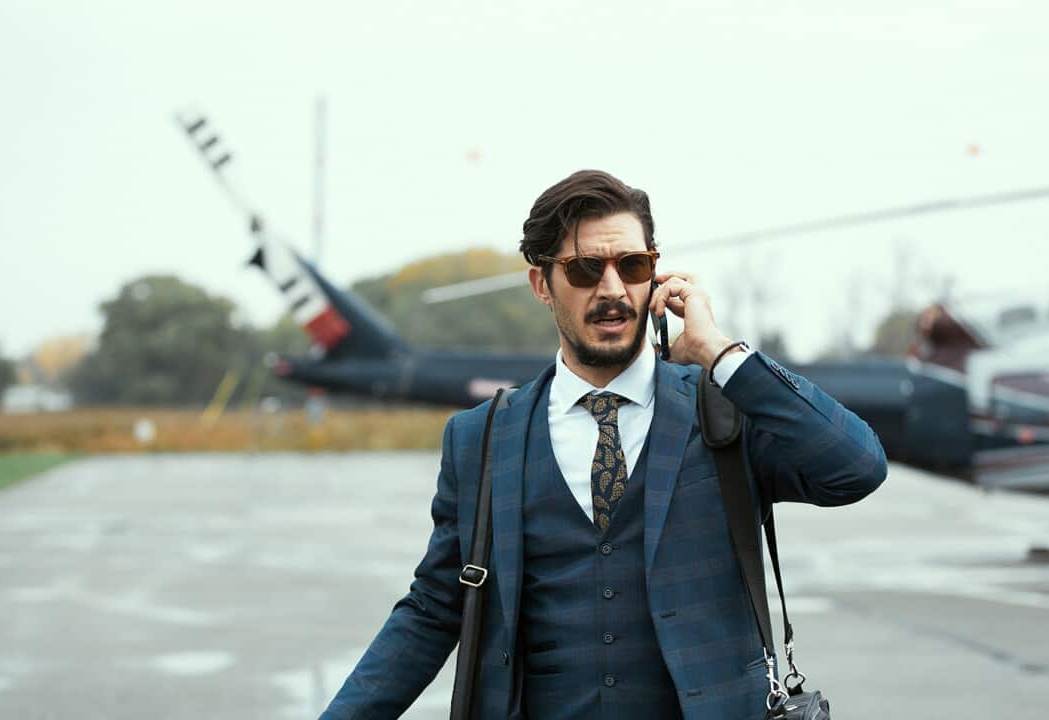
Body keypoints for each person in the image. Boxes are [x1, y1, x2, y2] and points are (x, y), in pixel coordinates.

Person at [319, 170, 887, 719]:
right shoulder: (482, 439)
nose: (613, 289)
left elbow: (857, 467)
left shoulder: (724, 411)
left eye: (633, 266)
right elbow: (432, 610)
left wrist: (719, 352)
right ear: (542, 284)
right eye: (586, 269)